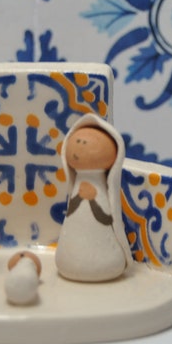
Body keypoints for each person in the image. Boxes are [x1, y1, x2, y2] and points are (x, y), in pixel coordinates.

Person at [55, 113, 133, 281]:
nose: (81, 146)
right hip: (70, 252)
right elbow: (72, 210)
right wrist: (80, 197)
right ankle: (70, 259)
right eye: (77, 142)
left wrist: (92, 200)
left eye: (85, 143)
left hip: (103, 250)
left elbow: (105, 218)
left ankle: (100, 263)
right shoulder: (76, 187)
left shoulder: (104, 191)